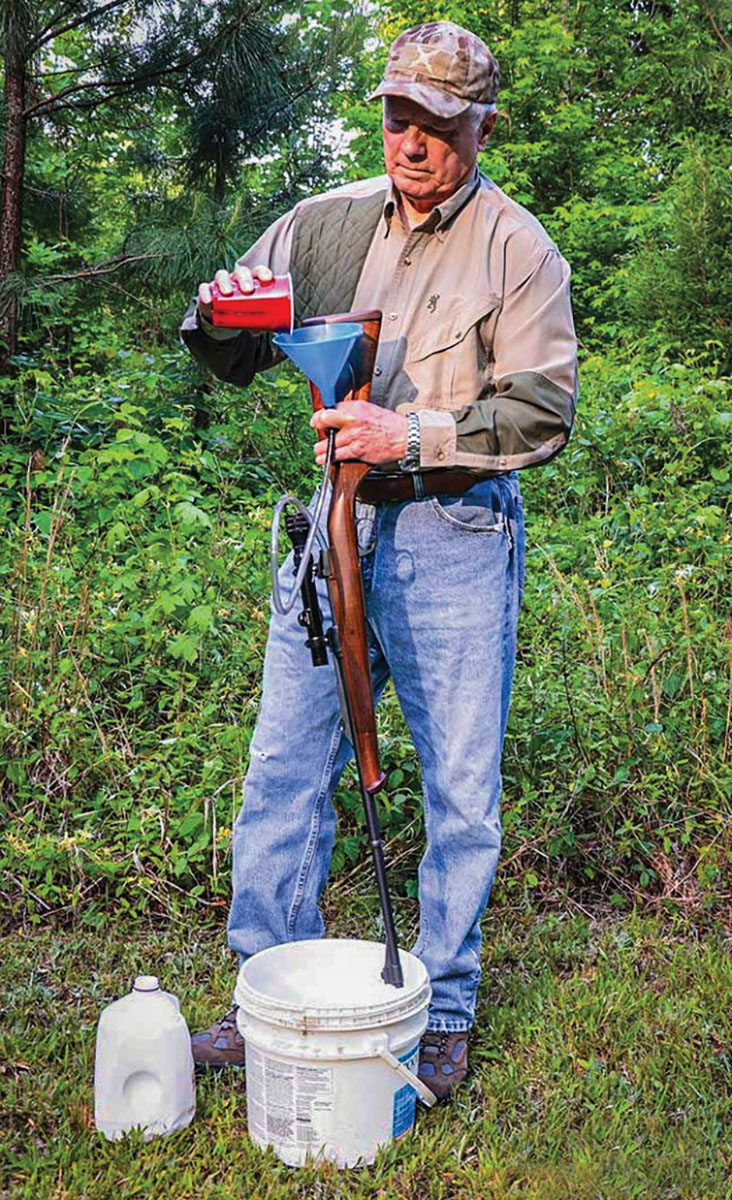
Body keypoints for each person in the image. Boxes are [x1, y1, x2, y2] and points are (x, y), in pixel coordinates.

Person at [180, 20, 578, 1101]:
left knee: (460, 787)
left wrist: (415, 436)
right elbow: (234, 342)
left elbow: (543, 411)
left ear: (481, 127)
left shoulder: (518, 248)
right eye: (399, 116)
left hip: (454, 534)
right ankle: (266, 986)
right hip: (332, 532)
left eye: (439, 125)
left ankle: (442, 1009)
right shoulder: (324, 223)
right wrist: (215, 317)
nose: (412, 142)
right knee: (283, 769)